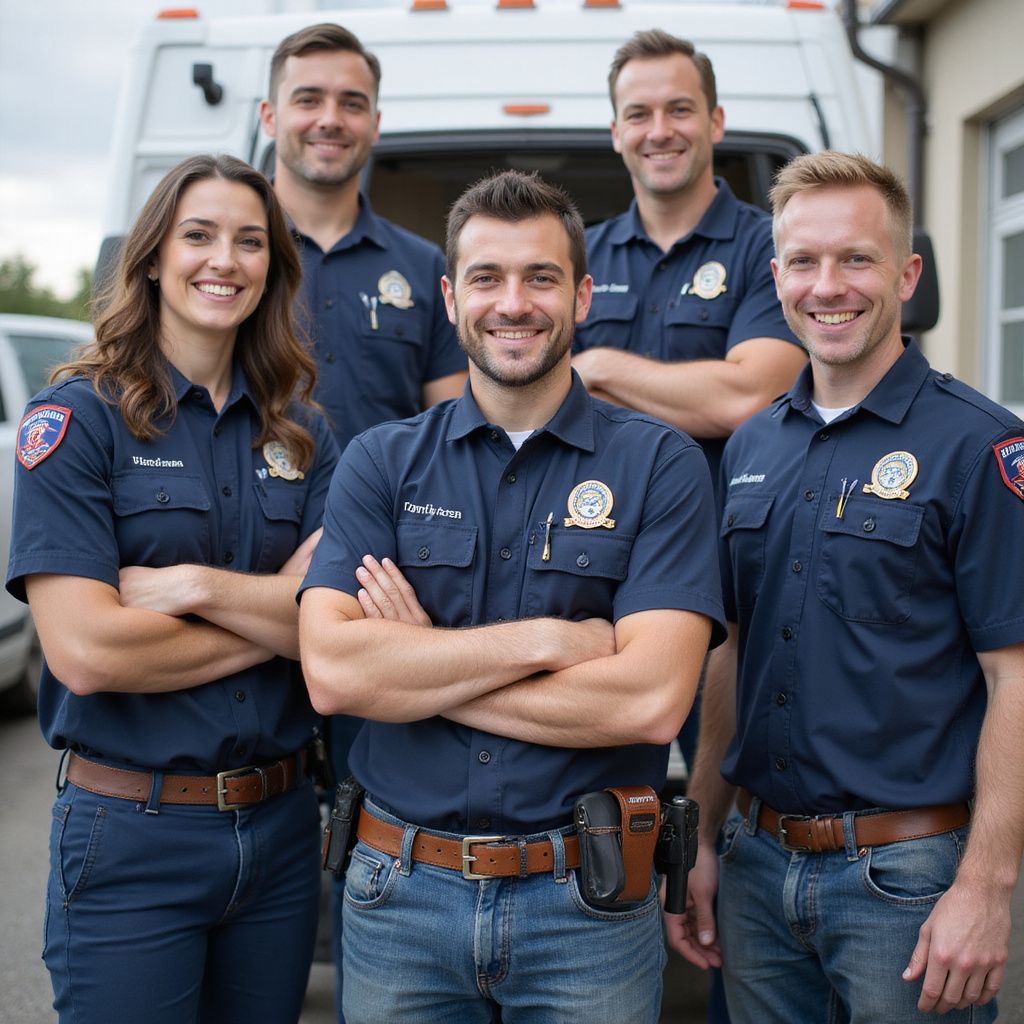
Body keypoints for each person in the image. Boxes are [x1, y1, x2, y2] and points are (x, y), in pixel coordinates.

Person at [298, 169, 726, 1023]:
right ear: (452, 297)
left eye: (541, 277)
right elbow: (337, 677)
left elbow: (647, 701)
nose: (513, 303)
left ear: (584, 294)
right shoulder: (381, 460)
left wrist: (419, 667)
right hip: (400, 898)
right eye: (487, 278)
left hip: (585, 906)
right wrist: (549, 643)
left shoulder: (660, 464)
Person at [667, 151, 1024, 1022]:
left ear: (906, 273)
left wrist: (987, 887)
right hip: (754, 866)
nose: (829, 286)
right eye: (804, 261)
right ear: (776, 274)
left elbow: (1016, 678)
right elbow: (731, 657)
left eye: (857, 259)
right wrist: (705, 836)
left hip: (904, 884)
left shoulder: (982, 449)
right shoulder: (750, 448)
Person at [6, 154, 339, 1024]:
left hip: (279, 831)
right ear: (153, 255)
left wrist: (191, 586)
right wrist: (281, 614)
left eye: (249, 241)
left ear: (274, 267)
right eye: (198, 235)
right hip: (132, 836)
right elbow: (87, 651)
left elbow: (341, 631)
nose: (223, 260)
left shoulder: (303, 434)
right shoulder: (76, 422)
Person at [259, 35, 467, 1004]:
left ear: (376, 124)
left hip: (378, 594)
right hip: (253, 588)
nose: (329, 118)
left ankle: (372, 979)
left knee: (372, 804)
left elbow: (457, 430)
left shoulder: (423, 268)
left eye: (351, 101)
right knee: (251, 805)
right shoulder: (231, 251)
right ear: (270, 117)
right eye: (307, 98)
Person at [572, 29, 806, 494]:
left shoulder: (774, 248)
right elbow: (536, 400)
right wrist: (695, 395)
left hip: (722, 541)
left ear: (715, 121)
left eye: (679, 109)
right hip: (585, 533)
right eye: (639, 114)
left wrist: (595, 367)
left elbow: (748, 397)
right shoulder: (579, 255)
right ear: (617, 133)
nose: (660, 131)